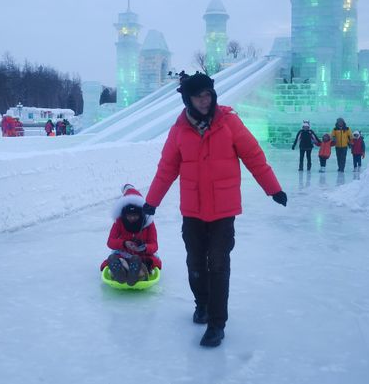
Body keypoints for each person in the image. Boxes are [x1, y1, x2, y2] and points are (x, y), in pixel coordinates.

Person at [143, 72, 287, 348]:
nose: (205, 100)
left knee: (218, 264)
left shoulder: (229, 122)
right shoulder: (179, 130)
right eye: (199, 96)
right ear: (188, 99)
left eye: (208, 94)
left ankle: (217, 324)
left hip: (223, 210)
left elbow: (254, 156)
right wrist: (152, 201)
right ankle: (203, 304)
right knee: (195, 262)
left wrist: (273, 188)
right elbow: (167, 169)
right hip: (193, 210)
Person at [100, 184, 161, 286]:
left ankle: (134, 270)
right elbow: (110, 242)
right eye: (129, 216)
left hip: (143, 255)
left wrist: (145, 247)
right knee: (119, 259)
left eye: (135, 215)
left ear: (141, 214)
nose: (132, 218)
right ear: (124, 214)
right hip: (124, 253)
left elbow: (154, 245)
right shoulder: (119, 222)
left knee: (145, 263)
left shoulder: (148, 223)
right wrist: (124, 243)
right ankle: (125, 271)